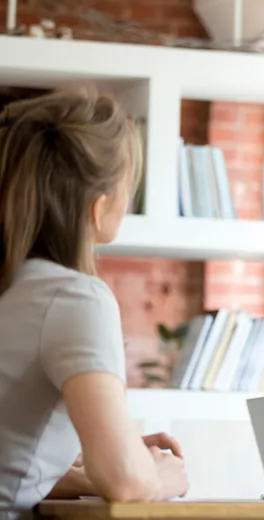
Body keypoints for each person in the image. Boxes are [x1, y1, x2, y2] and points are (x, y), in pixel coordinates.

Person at [0, 91, 189, 519]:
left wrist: (101, 468)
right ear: (99, 208)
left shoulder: (14, 287)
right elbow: (126, 481)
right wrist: (161, 475)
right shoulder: (75, 298)